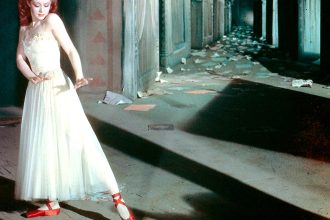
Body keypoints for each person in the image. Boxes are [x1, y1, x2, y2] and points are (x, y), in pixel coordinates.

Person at [15, 0, 135, 219]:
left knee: (80, 139)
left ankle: (117, 197)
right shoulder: (25, 29)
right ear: (27, 4)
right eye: (37, 5)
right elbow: (20, 59)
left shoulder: (52, 20)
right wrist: (32, 77)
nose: (42, 10)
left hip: (58, 87)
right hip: (37, 91)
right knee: (45, 143)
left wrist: (79, 75)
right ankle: (51, 201)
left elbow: (70, 49)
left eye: (46, 4)